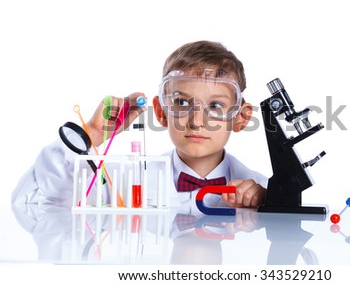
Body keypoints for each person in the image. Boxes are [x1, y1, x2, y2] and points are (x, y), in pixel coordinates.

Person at [11, 40, 267, 212]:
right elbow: (31, 203)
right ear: (160, 111)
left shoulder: (261, 191)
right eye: (180, 102)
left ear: (240, 117)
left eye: (215, 106)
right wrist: (92, 134)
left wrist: (271, 207)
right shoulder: (124, 183)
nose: (197, 121)